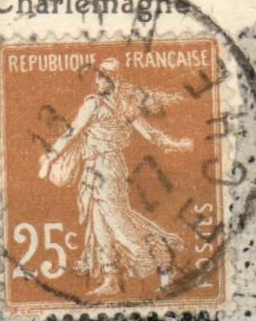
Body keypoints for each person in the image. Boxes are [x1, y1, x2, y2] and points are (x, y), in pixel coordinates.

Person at [37, 57, 194, 297]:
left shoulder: (117, 106)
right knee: (99, 226)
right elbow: (72, 133)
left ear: (115, 80)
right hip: (93, 169)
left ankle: (164, 262)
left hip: (108, 168)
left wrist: (177, 145)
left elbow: (150, 134)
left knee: (119, 223)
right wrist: (50, 157)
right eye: (98, 76)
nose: (99, 81)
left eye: (105, 77)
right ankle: (111, 279)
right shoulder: (97, 104)